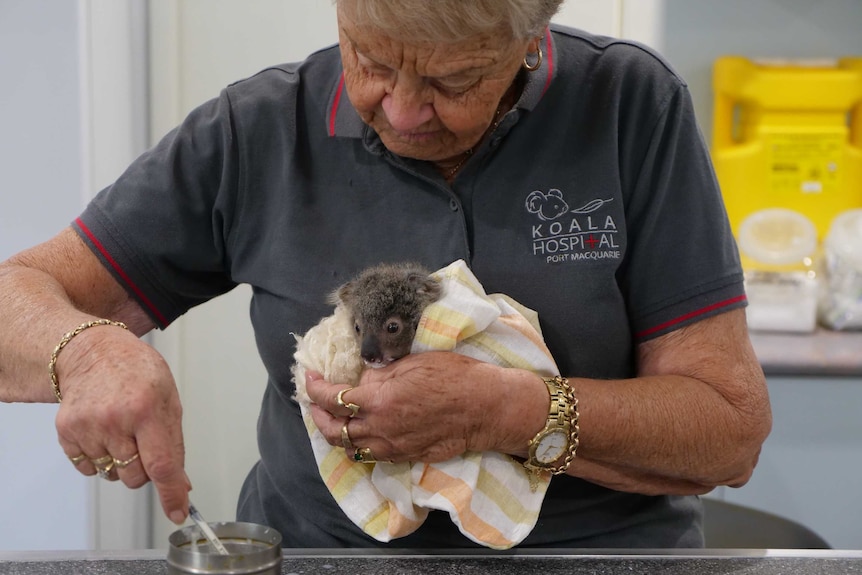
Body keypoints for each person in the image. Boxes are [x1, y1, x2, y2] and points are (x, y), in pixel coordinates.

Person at [0, 0, 771, 548]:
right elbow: (16, 298)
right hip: (318, 550)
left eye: (454, 79)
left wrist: (512, 412)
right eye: (368, 58)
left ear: (532, 36)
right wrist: (87, 349)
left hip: (593, 553)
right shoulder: (255, 132)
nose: (402, 111)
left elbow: (727, 431)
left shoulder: (630, 109)